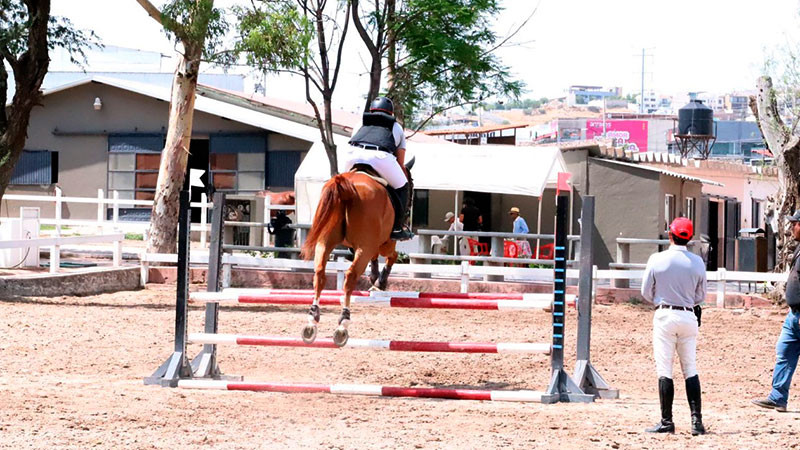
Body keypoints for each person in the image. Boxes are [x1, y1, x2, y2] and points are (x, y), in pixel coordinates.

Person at [640, 217, 706, 435]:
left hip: (665, 315)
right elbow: (701, 295)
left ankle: (667, 421)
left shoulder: (657, 259)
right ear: (689, 238)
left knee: (664, 369)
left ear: (670, 234)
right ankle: (696, 422)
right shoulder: (697, 262)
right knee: (690, 368)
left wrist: (661, 297)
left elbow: (645, 292)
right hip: (688, 316)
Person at [343, 96, 413, 240]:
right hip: (379, 157)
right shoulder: (396, 127)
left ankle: (338, 221)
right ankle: (397, 227)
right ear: (391, 113)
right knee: (403, 186)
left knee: (339, 184)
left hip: (352, 155)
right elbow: (400, 162)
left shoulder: (360, 123)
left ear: (371, 110)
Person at [752, 210, 800, 413]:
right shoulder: (799, 248)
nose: (791, 228)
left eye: (795, 224)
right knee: (784, 352)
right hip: (794, 314)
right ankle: (778, 397)